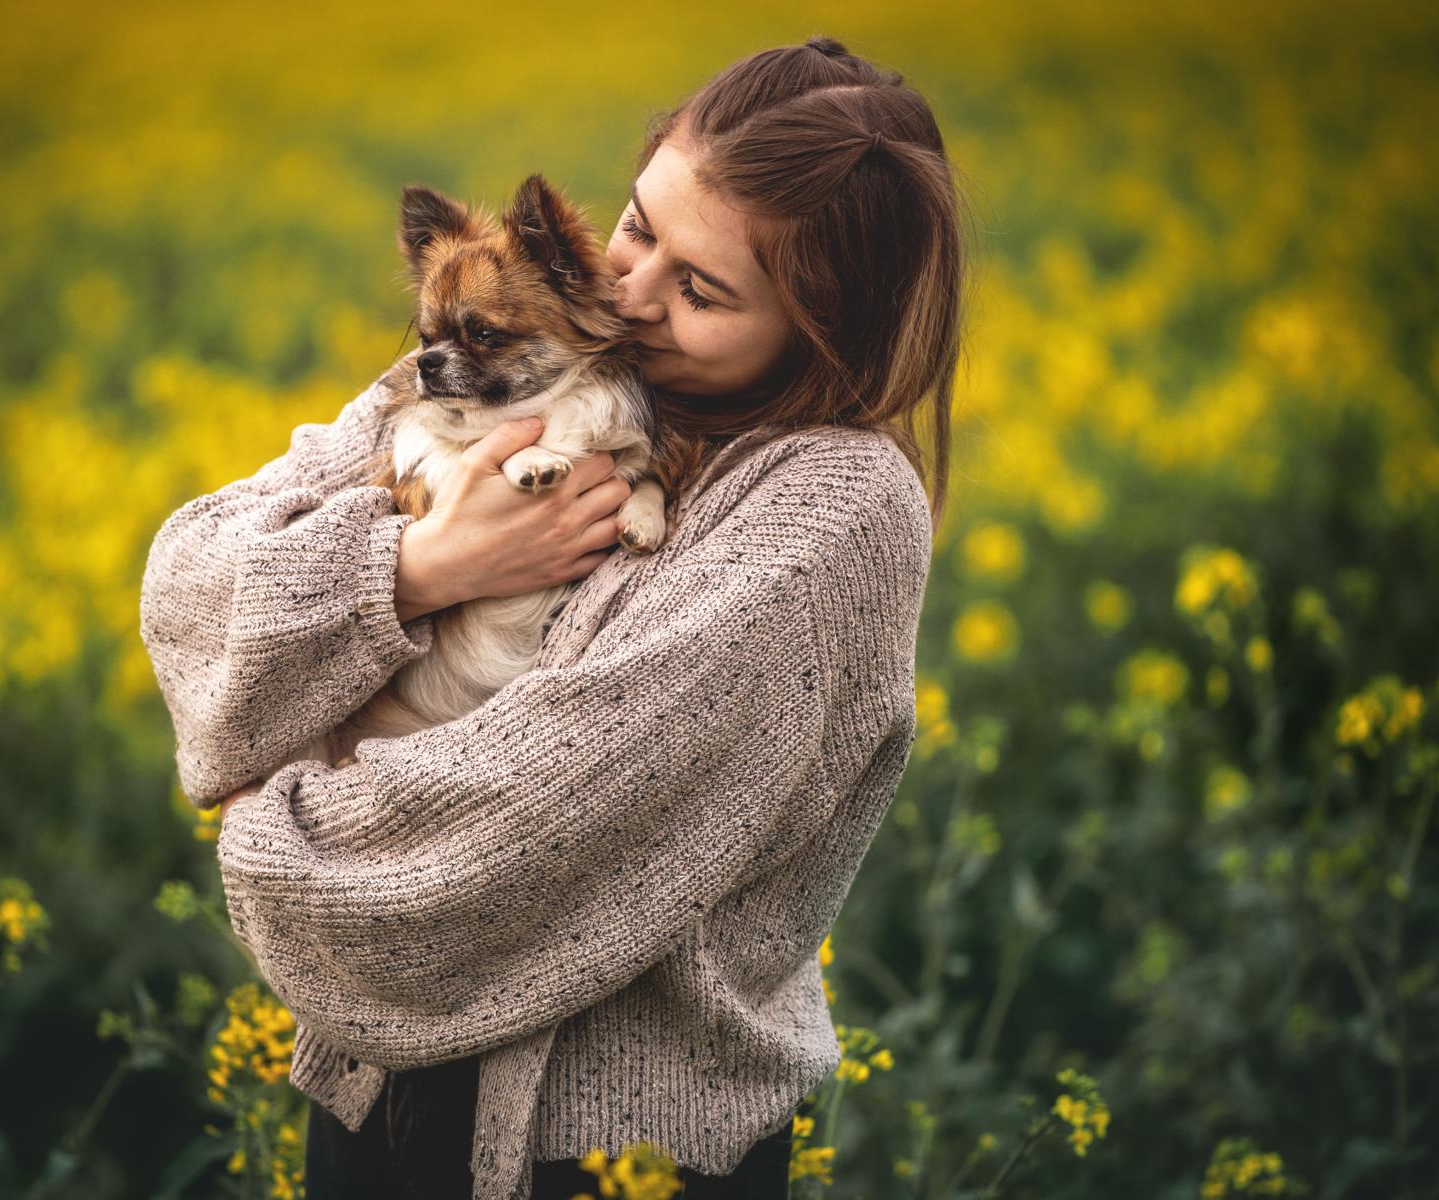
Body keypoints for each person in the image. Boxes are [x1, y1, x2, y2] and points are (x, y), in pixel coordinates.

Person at [139, 33, 966, 1200]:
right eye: (638, 229)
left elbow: (515, 840)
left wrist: (265, 830)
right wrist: (420, 566)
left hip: (618, 1154)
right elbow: (184, 590)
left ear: (823, 326)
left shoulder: (829, 509)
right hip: (371, 1105)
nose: (628, 296)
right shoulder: (502, 360)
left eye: (703, 290)